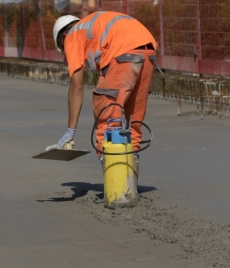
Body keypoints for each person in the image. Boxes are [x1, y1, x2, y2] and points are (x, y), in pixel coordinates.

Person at [49, 11, 158, 170]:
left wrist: (70, 131)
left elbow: (76, 86)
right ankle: (129, 184)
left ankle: (115, 182)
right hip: (149, 50)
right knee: (133, 119)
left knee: (106, 115)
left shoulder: (72, 36)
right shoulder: (91, 28)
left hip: (122, 52)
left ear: (62, 37)